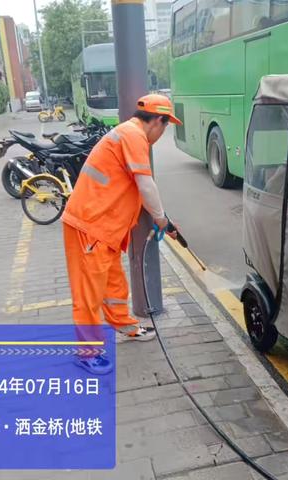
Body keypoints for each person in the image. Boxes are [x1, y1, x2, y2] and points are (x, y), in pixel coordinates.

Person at [62, 94, 182, 374]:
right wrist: (161, 219)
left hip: (104, 231)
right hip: (88, 226)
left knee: (114, 286)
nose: (163, 133)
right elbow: (145, 184)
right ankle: (87, 354)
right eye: (166, 126)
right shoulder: (133, 135)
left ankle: (125, 326)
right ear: (158, 121)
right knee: (88, 296)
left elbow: (131, 186)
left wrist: (156, 217)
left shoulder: (128, 134)